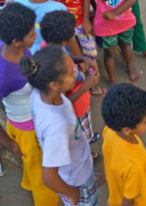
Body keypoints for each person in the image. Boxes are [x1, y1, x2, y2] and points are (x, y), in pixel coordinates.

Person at [0, 3, 59, 205]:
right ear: (16, 41)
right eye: (32, 34)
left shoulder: (15, 49)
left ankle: (28, 183)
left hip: (30, 119)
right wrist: (10, 144)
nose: (36, 35)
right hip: (27, 130)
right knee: (44, 175)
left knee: (32, 165)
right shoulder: (2, 75)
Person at [21, 45, 99, 206]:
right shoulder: (57, 127)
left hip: (75, 167)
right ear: (54, 85)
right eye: (71, 73)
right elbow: (49, 177)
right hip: (77, 180)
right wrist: (72, 193)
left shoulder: (40, 94)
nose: (76, 73)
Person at [40, 10, 101, 146]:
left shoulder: (48, 47)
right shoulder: (55, 67)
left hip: (79, 102)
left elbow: (67, 57)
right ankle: (88, 149)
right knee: (81, 136)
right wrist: (87, 85)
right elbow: (60, 102)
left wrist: (81, 58)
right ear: (66, 40)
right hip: (76, 108)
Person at [101, 83, 146, 206]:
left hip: (116, 196)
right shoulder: (135, 166)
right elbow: (129, 199)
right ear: (126, 130)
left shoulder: (110, 131)